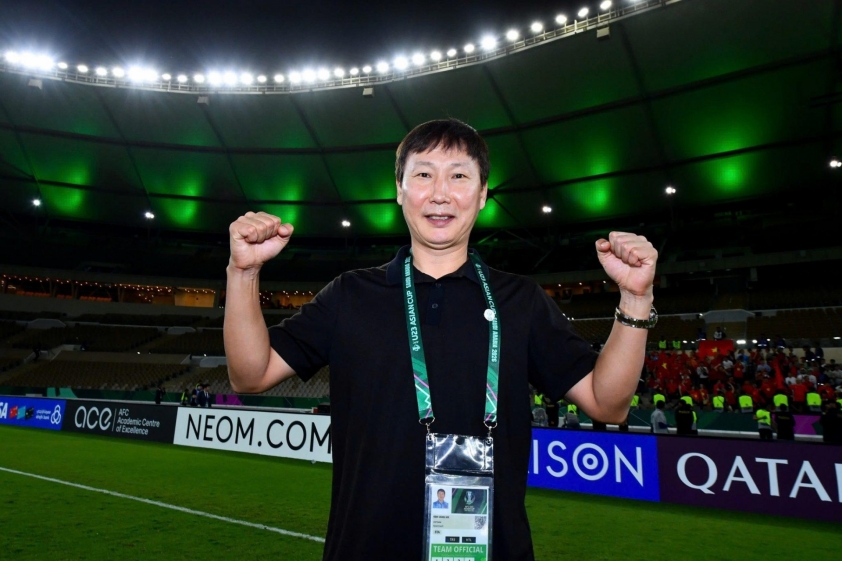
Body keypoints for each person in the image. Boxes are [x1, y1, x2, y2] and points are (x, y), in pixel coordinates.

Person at [223, 119, 659, 560]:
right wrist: (243, 272)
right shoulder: (350, 294)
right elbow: (249, 375)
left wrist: (636, 298)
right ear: (399, 189)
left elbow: (608, 403)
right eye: (423, 174)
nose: (440, 193)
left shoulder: (521, 300)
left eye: (459, 175)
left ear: (483, 193)